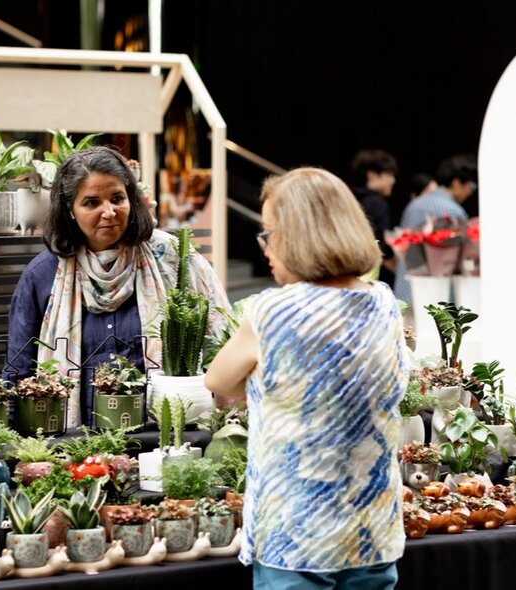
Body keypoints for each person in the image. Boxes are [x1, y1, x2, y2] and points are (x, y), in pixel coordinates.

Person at [205, 167, 408, 590]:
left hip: (296, 542)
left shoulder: (271, 312)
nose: (264, 247)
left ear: (300, 235)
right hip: (371, 533)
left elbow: (218, 381)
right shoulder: (385, 304)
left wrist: (268, 385)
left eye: (269, 233)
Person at [5, 146, 230, 427]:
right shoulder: (42, 276)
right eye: (91, 203)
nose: (109, 212)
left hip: (165, 439)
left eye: (117, 198)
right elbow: (19, 371)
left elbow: (222, 345)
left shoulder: (174, 260)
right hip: (77, 447)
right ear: (70, 210)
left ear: (131, 200)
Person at [393, 154, 477, 306]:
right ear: (457, 183)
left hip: (405, 292)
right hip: (436, 296)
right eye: (470, 186)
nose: (470, 192)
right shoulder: (453, 212)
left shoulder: (414, 205)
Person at [350, 149, 398, 286]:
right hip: (371, 278)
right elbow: (380, 244)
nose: (392, 180)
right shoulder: (377, 203)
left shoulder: (347, 199)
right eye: (388, 174)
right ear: (371, 175)